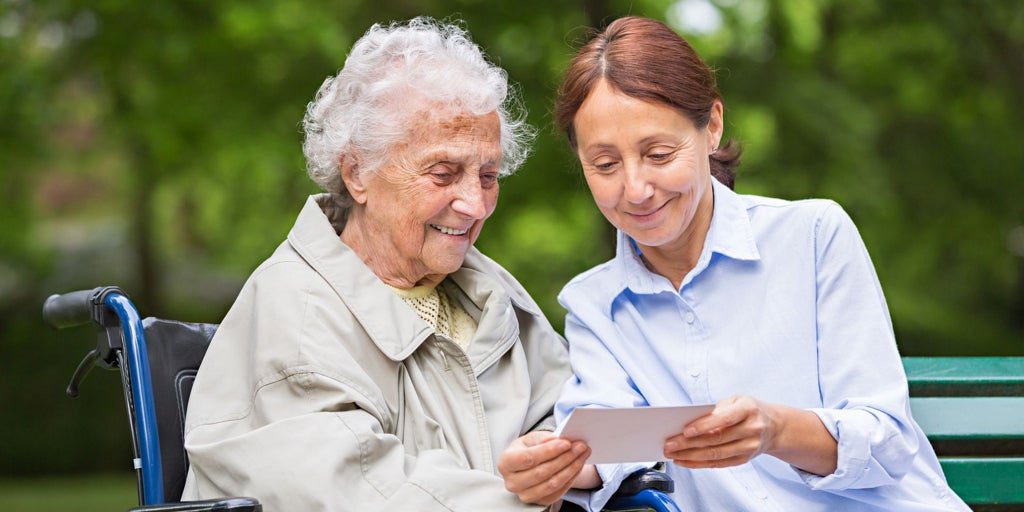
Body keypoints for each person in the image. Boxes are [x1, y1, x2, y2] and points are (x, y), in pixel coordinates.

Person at [515, 16, 968, 511]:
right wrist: (550, 466)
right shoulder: (594, 304)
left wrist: (775, 430)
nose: (636, 189)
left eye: (660, 154)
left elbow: (888, 442)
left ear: (711, 126)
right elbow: (605, 449)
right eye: (605, 165)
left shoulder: (814, 237)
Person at [180, 18, 584, 511]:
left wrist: (567, 463)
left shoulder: (490, 292)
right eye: (443, 173)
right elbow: (359, 493)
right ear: (357, 174)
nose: (475, 204)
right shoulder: (295, 312)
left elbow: (574, 414)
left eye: (488, 175)